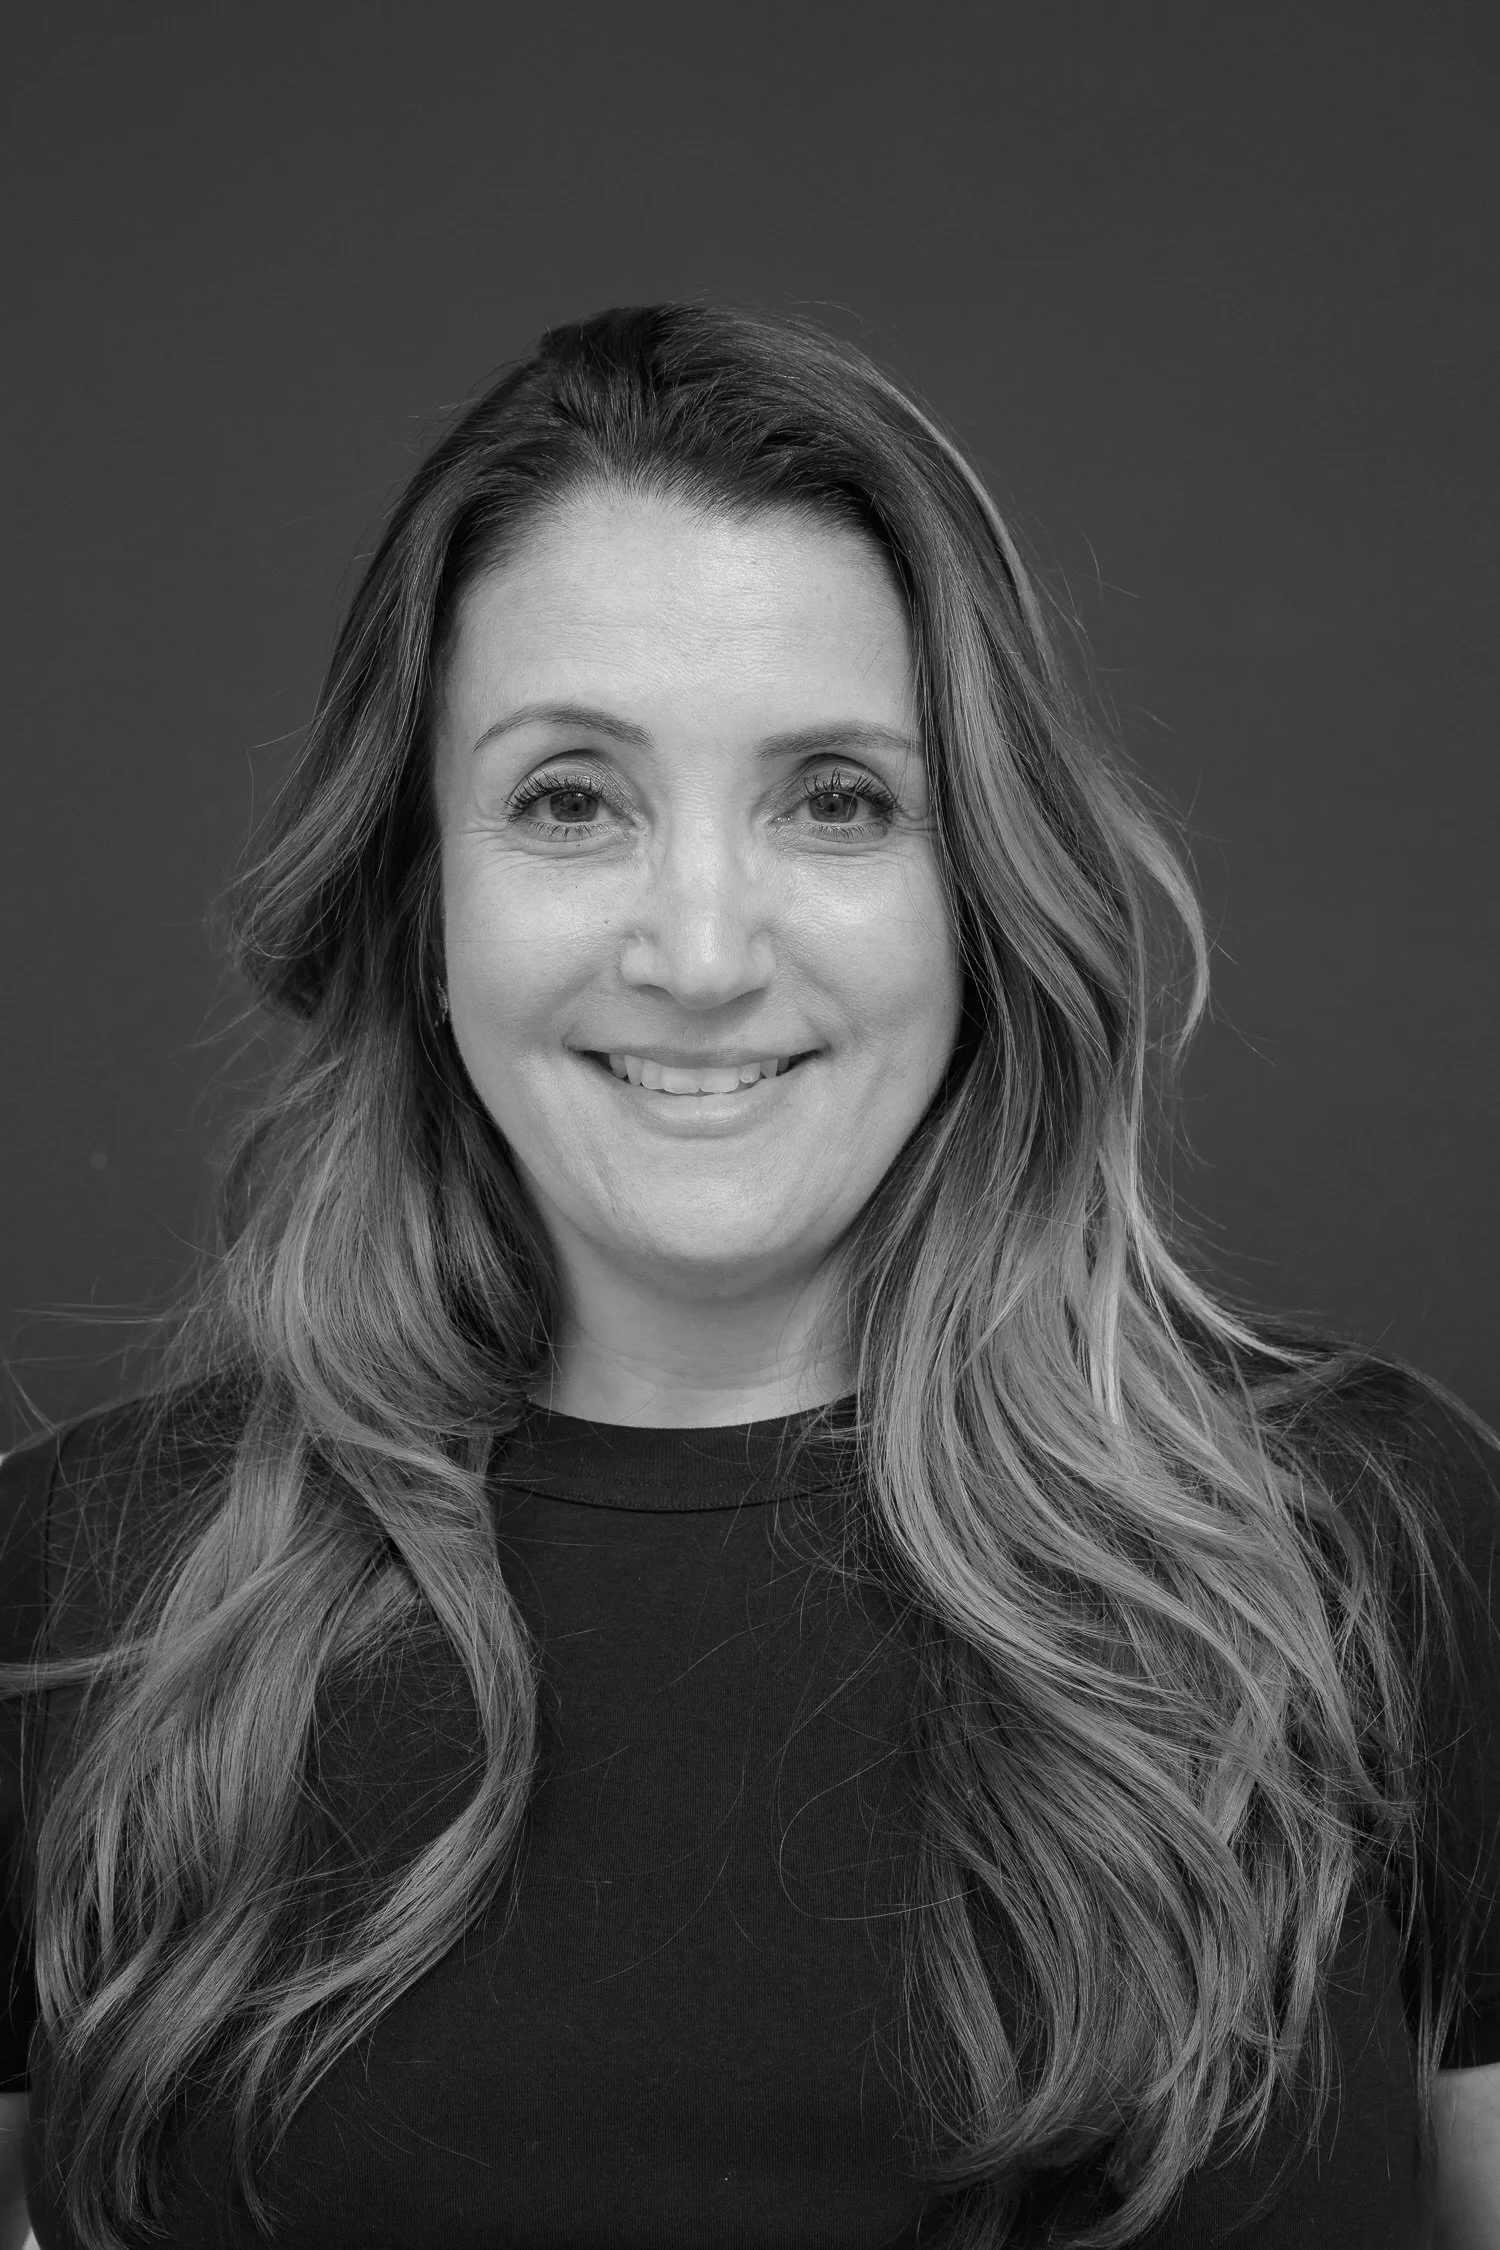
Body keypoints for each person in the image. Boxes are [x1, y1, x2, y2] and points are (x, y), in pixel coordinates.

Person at [0, 302, 1495, 2250]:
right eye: (568, 799)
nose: (701, 950)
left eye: (840, 799)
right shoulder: (81, 1595)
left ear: (981, 891)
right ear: (418, 888)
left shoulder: (1370, 1543)